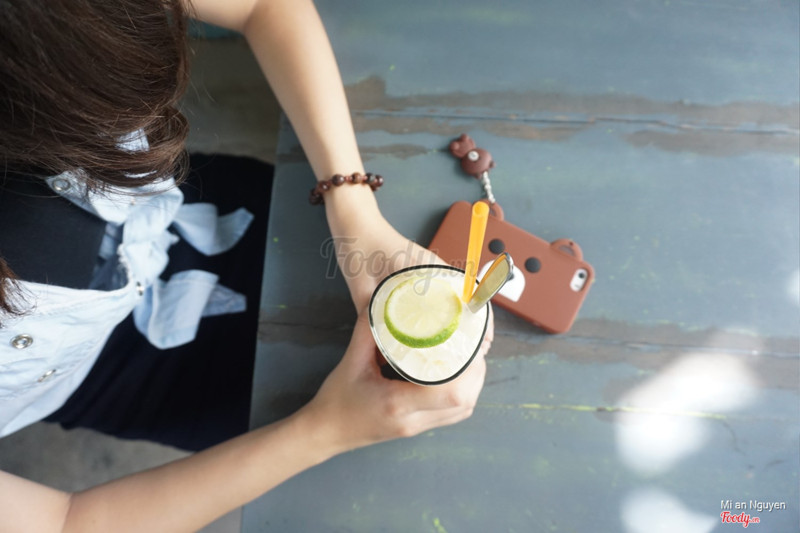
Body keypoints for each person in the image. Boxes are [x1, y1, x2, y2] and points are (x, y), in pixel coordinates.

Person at [0, 0, 493, 531]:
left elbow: (262, 6)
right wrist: (327, 430)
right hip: (134, 385)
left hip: (206, 209)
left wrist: (351, 204)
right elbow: (65, 523)